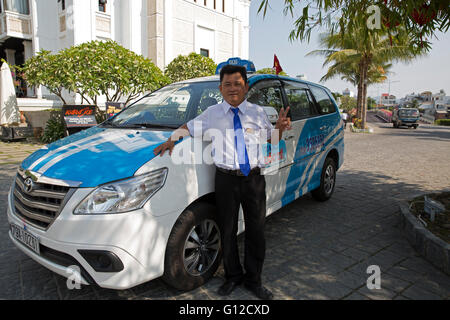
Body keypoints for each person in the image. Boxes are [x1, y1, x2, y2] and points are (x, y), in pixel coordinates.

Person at [153, 64, 291, 300]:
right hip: (226, 180)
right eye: (227, 84)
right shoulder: (212, 114)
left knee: (256, 231)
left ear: (245, 86)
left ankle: (254, 281)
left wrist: (278, 128)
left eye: (237, 83)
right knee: (227, 230)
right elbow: (188, 127)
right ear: (221, 88)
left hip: (253, 180)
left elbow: (272, 140)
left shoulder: (257, 112)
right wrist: (171, 140)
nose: (232, 88)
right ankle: (232, 277)